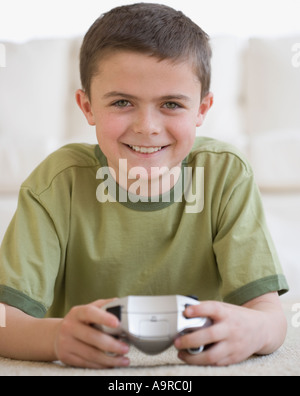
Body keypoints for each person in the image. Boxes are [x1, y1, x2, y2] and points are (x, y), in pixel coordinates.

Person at [0, 3, 289, 369]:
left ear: (202, 109)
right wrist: (55, 338)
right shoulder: (56, 183)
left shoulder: (226, 175)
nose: (147, 127)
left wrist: (254, 330)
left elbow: (271, 316)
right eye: (122, 102)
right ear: (87, 107)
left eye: (171, 104)